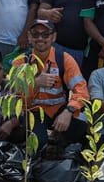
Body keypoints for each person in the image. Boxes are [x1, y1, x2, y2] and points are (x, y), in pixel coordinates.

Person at [7, 18, 90, 148]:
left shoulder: (64, 59)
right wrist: (35, 83)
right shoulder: (20, 62)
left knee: (83, 118)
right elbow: (15, 99)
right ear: (29, 37)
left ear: (54, 37)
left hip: (58, 110)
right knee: (38, 144)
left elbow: (82, 91)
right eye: (35, 34)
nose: (40, 38)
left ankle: (61, 142)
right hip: (32, 111)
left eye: (45, 34)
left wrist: (69, 111)